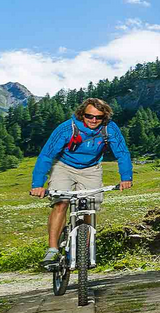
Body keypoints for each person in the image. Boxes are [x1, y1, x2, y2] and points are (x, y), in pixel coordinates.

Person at [29, 98, 133, 266]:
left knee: (89, 207)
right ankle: (53, 250)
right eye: (89, 116)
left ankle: (83, 249)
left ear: (104, 117)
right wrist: (37, 185)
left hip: (91, 169)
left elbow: (122, 153)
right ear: (81, 114)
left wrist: (126, 178)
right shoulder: (66, 128)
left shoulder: (109, 128)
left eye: (98, 117)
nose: (93, 120)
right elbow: (46, 155)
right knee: (61, 203)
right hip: (64, 166)